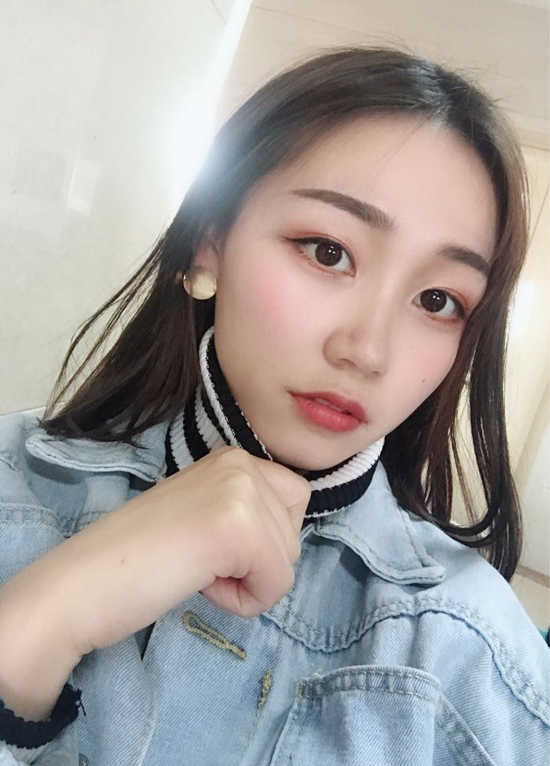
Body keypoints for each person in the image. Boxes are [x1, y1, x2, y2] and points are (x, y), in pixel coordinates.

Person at [0, 46, 548, 766]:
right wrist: (38, 625)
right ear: (210, 242)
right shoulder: (15, 489)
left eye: (438, 300)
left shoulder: (473, 657)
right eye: (328, 251)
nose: (368, 350)